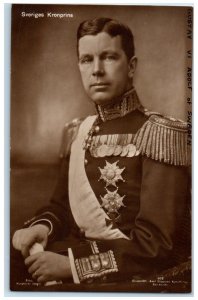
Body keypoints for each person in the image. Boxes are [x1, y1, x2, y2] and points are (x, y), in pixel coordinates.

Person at [11, 17, 190, 290]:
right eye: (86, 59)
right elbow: (60, 208)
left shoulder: (161, 134)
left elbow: (154, 245)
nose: (96, 70)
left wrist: (72, 265)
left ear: (131, 67)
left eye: (108, 57)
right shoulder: (77, 132)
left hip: (133, 275)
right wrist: (43, 227)